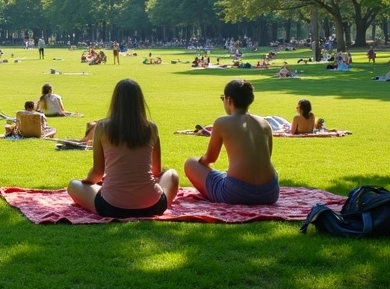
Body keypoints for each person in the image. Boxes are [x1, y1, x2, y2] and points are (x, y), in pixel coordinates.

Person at [67, 79, 178, 218]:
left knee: (73, 185)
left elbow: (97, 173)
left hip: (111, 207)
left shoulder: (102, 127)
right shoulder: (151, 128)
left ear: (115, 101)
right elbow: (156, 171)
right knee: (172, 174)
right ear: (140, 102)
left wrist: (87, 182)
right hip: (153, 206)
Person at [184, 79, 279, 205]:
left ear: (229, 100)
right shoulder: (264, 123)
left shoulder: (222, 122)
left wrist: (200, 162)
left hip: (237, 193)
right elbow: (266, 157)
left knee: (190, 163)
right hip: (270, 192)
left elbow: (210, 159)